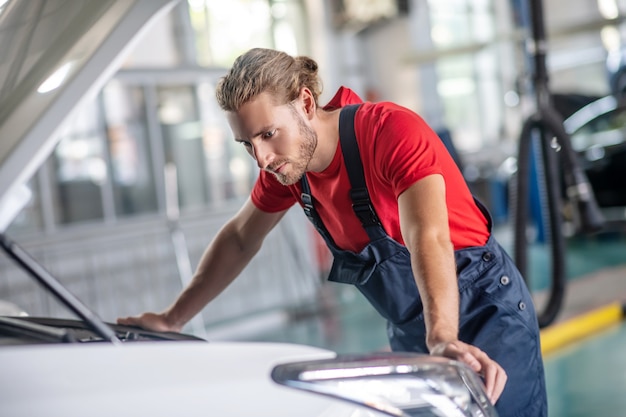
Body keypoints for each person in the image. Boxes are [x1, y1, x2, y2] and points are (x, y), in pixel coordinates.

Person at [118, 48, 547, 417]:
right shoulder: (289, 170)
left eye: (268, 134)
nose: (262, 157)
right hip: (414, 329)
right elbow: (240, 238)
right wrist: (171, 318)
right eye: (247, 144)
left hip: (483, 308)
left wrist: (442, 337)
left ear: (305, 102)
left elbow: (429, 238)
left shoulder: (388, 132)